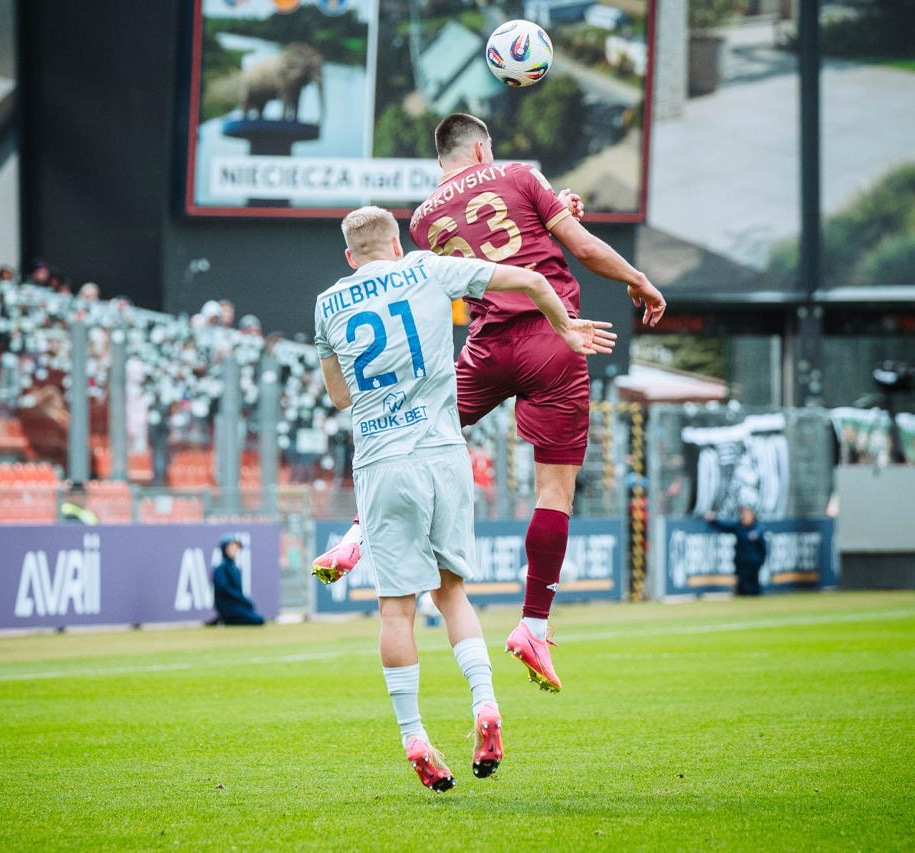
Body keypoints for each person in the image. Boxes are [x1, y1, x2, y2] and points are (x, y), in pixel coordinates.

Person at [314, 113, 665, 693]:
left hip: (484, 349)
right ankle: (533, 626)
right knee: (554, 491)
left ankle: (355, 536)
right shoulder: (520, 174)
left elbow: (475, 248)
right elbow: (576, 247)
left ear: (442, 159)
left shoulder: (422, 220)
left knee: (409, 432)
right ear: (482, 149)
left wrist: (551, 210)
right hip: (550, 338)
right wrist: (637, 279)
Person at [314, 206, 615, 790]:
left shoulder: (328, 304)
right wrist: (563, 328)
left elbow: (339, 397)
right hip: (444, 454)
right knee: (451, 593)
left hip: (381, 461)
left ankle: (414, 736)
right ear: (396, 245)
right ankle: (485, 704)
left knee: (396, 608)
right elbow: (530, 280)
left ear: (350, 257)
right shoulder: (427, 268)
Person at [705, 506, 767, 596]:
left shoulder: (758, 528)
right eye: (743, 514)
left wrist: (760, 561)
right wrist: (713, 520)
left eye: (746, 514)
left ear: (752, 516)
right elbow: (724, 525)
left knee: (753, 587)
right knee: (742, 587)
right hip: (741, 563)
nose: (744, 516)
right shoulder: (739, 526)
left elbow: (763, 548)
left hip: (753, 564)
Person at [210, 533, 265, 626]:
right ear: (224, 549)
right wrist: (243, 599)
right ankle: (224, 620)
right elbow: (224, 589)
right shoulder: (220, 569)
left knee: (256, 616)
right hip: (227, 606)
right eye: (231, 547)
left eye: (236, 547)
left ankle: (223, 619)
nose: (234, 550)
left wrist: (245, 601)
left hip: (236, 605)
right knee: (257, 620)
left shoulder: (235, 568)